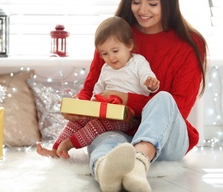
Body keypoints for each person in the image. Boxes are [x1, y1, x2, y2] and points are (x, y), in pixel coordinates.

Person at [78, 0, 207, 192]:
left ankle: (139, 163)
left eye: (153, 3)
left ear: (168, 2)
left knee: (164, 99)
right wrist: (78, 106)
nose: (142, 10)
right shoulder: (116, 35)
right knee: (107, 140)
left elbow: (178, 109)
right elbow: (91, 87)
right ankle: (103, 171)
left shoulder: (191, 44)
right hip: (119, 128)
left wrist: (125, 98)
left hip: (168, 138)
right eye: (136, 2)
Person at [36, 16, 160, 159]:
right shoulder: (106, 68)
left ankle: (69, 145)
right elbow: (97, 90)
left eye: (115, 51)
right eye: (105, 54)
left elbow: (147, 76)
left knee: (97, 124)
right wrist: (87, 108)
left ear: (129, 46)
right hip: (106, 110)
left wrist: (151, 83)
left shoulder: (138, 62)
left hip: (128, 118)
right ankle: (56, 148)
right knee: (79, 120)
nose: (111, 57)